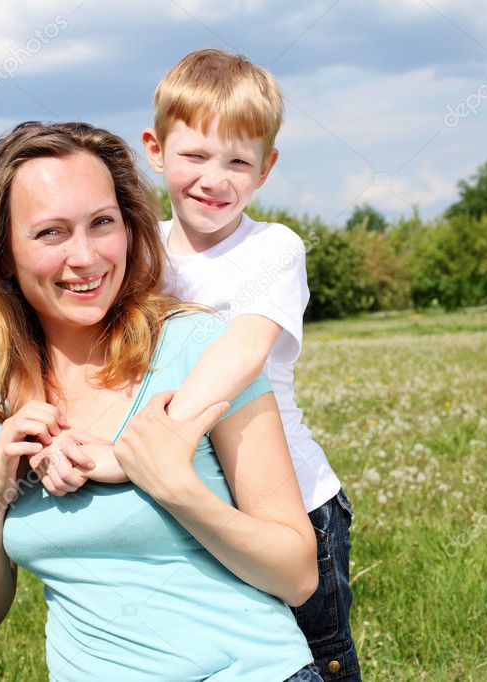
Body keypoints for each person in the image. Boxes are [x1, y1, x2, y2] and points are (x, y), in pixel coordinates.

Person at [0, 120, 323, 681]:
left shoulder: (202, 348)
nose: (86, 257)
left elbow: (297, 574)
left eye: (102, 223)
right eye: (51, 233)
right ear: (3, 254)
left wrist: (175, 487)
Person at [139, 49, 360, 681]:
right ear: (155, 149)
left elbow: (239, 352)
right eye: (195, 156)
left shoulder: (272, 248)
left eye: (239, 161)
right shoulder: (142, 250)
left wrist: (149, 445)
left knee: (317, 661)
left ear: (266, 168)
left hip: (293, 502)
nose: (217, 178)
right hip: (200, 496)